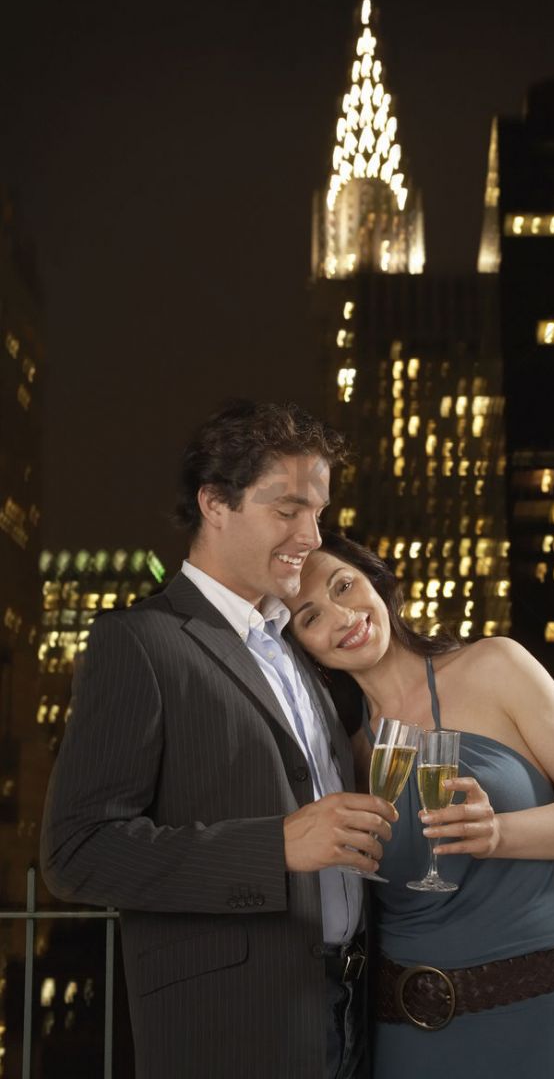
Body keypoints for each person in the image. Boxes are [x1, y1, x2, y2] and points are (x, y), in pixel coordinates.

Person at [40, 400, 397, 1079]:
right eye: (286, 509)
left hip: (350, 1013)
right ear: (215, 504)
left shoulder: (297, 649)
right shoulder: (141, 642)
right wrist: (274, 847)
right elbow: (75, 851)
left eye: (317, 513)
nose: (309, 534)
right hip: (233, 1027)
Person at [286, 531, 554, 1078]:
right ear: (303, 646)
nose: (341, 616)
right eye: (310, 616)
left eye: (344, 586)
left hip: (531, 1003)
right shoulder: (343, 753)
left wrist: (501, 834)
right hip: (405, 1024)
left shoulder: (495, 665)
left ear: (377, 584)